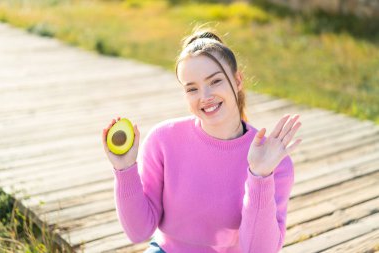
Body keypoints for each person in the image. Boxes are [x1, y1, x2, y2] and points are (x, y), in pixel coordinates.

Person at [102, 26, 302, 253]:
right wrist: (124, 168)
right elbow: (138, 232)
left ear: (237, 81)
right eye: (192, 89)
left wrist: (260, 176)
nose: (205, 97)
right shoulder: (163, 140)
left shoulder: (274, 161)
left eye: (215, 81)